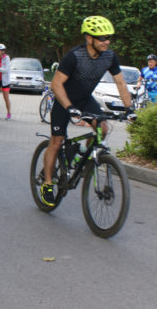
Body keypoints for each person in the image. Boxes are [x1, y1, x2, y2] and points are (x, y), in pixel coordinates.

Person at [40, 15, 133, 207]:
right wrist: (69, 107)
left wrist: (129, 108)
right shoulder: (74, 56)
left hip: (84, 99)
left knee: (103, 128)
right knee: (56, 142)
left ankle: (86, 154)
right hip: (64, 100)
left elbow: (120, 82)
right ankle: (47, 184)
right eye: (101, 38)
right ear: (89, 38)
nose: (106, 41)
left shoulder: (109, 56)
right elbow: (56, 84)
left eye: (108, 37)